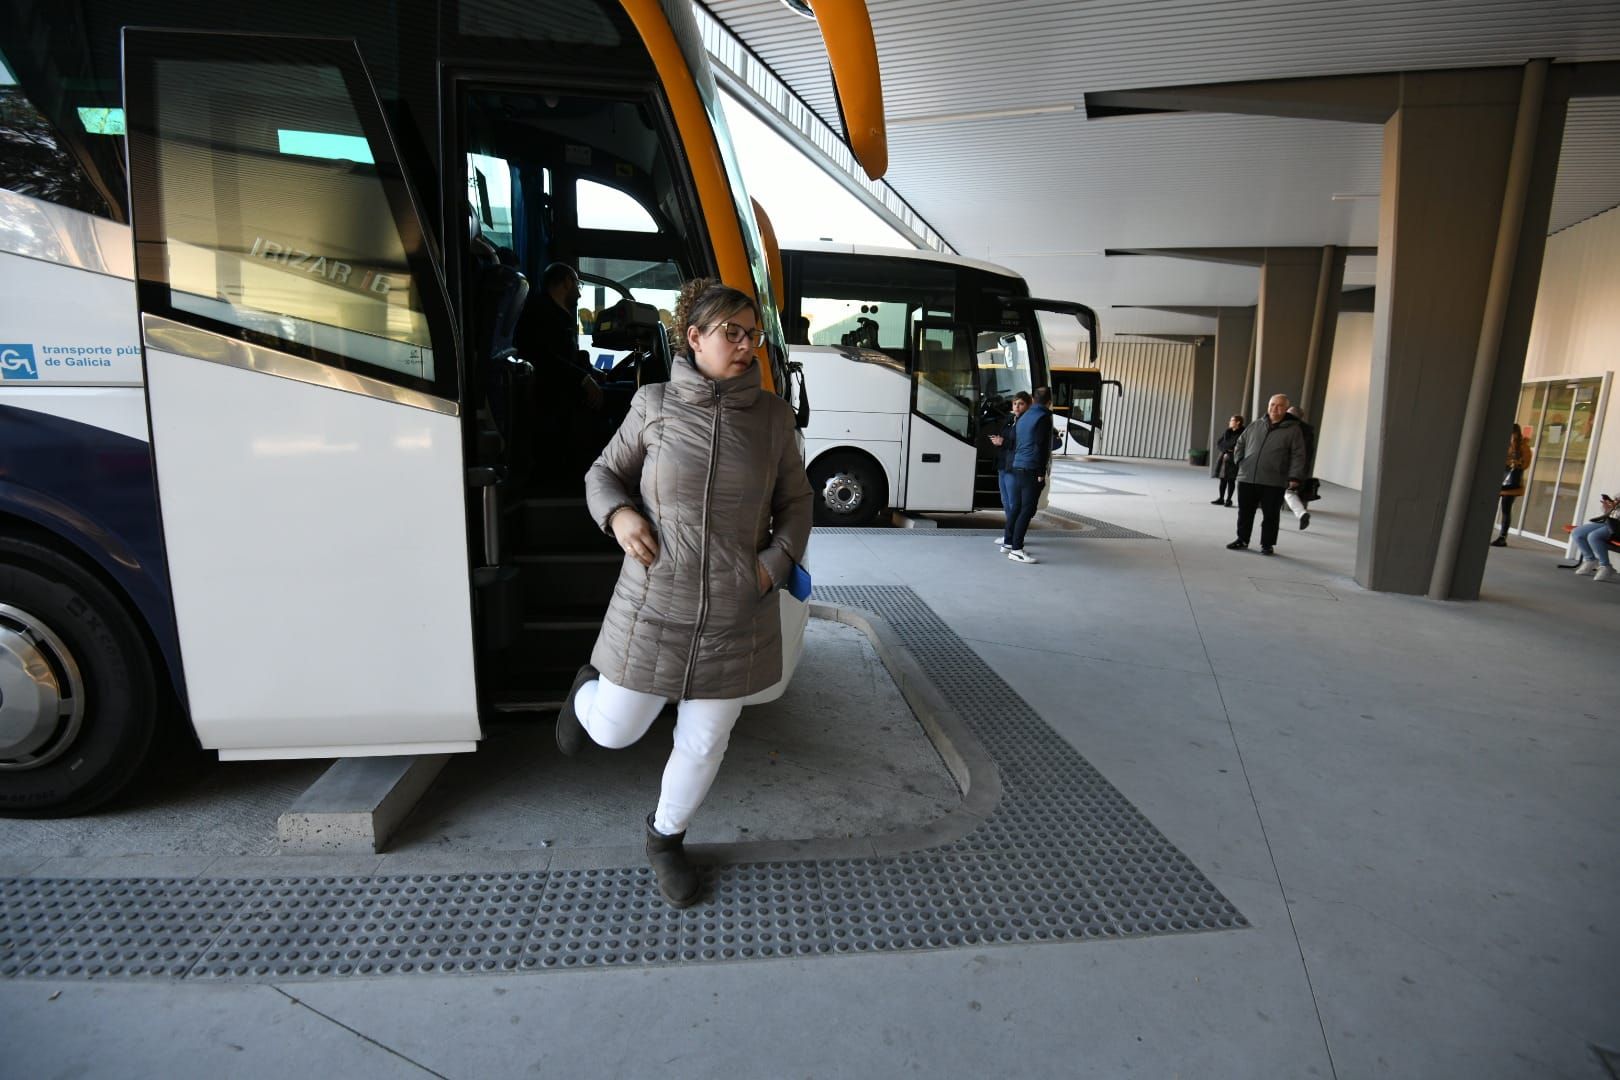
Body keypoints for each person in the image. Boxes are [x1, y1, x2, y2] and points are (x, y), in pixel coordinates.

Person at [554, 278, 813, 908]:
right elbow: (603, 473)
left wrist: (771, 566)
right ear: (694, 337)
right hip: (653, 603)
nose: (747, 345)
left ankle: (666, 839)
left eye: (752, 335)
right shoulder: (653, 404)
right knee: (615, 731)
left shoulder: (775, 419)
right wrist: (617, 515)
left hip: (737, 610)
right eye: (733, 333)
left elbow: (798, 503)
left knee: (703, 741)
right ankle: (584, 691)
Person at [1226, 394, 1308, 556]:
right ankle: (1242, 539)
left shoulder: (1293, 430)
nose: (1274, 408)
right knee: (1245, 512)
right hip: (1248, 477)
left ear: (1285, 409)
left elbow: (1299, 455)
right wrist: (1241, 462)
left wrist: (1294, 476)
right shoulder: (1256, 425)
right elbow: (1240, 443)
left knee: (1270, 515)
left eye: (1279, 406)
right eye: (1272, 404)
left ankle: (1267, 544)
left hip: (1274, 480)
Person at [1005, 386, 1054, 564]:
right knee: (1027, 510)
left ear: (1033, 399)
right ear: (1049, 402)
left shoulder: (1024, 417)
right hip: (1031, 468)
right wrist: (1041, 472)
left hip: (1018, 465)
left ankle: (1008, 543)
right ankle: (1016, 549)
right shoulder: (1044, 417)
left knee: (1017, 507)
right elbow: (1041, 446)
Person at [989, 391, 1030, 552]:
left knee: (1014, 504)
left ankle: (1012, 538)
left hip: (1014, 466)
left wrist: (1003, 442)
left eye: (1021, 404)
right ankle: (1008, 534)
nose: (1017, 407)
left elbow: (1021, 444)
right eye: (1015, 404)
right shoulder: (1010, 419)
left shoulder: (1025, 422)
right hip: (1003, 465)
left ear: (1027, 405)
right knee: (1006, 502)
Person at [1491, 423, 1532, 547]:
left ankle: (1502, 537)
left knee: (1506, 509)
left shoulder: (1523, 447)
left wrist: (1513, 458)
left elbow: (1524, 465)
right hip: (1501, 481)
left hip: (1511, 483)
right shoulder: (1503, 444)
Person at [1565, 491, 1619, 582]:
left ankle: (1605, 566)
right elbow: (1612, 514)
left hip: (1618, 528)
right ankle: (1590, 560)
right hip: (1610, 523)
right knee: (1577, 532)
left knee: (1593, 536)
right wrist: (1608, 508)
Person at [1283, 405, 1318, 531]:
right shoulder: (1308, 432)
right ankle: (1301, 514)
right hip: (1298, 469)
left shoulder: (1290, 429)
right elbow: (1308, 454)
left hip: (1286, 467)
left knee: (1279, 493)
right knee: (1288, 493)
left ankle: (1271, 522)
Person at [1211, 415, 1244, 507]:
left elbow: (1235, 446)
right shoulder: (1227, 432)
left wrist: (1228, 449)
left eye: (1232, 420)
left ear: (1238, 422)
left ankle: (1229, 500)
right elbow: (1219, 443)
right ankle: (1221, 498)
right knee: (1222, 479)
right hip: (1224, 457)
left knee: (1231, 480)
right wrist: (1227, 450)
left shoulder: (1242, 433)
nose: (1229, 422)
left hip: (1233, 459)